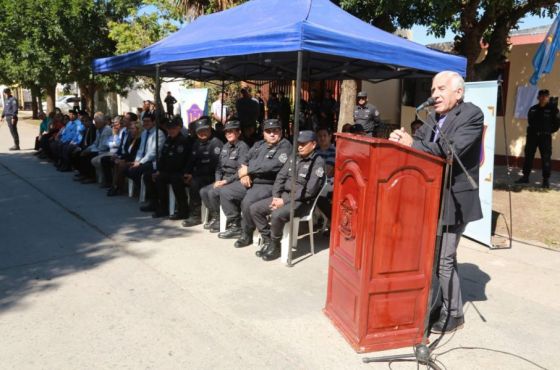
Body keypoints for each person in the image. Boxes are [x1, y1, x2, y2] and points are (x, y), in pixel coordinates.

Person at [389, 70, 484, 334]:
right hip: (429, 195)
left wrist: (413, 145)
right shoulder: (432, 117)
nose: (434, 95)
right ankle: (434, 303)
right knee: (435, 256)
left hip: (455, 197)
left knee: (443, 258)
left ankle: (454, 314)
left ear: (458, 92)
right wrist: (401, 142)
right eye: (432, 90)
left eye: (441, 89)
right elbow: (418, 144)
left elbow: (450, 151)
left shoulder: (471, 115)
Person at [249, 130, 325, 261]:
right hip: (283, 196)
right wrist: (276, 196)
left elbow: (309, 192)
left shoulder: (317, 163)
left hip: (301, 201)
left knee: (277, 215)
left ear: (313, 144)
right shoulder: (293, 157)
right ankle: (269, 241)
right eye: (299, 143)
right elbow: (280, 177)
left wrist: (284, 202)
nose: (300, 146)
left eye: (304, 144)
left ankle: (275, 245)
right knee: (255, 209)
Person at [218, 119, 292, 247]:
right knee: (225, 191)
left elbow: (272, 166)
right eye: (268, 131)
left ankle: (247, 233)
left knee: (247, 201)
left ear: (281, 132)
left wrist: (249, 169)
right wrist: (245, 173)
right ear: (263, 133)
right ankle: (235, 224)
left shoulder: (285, 146)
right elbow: (245, 160)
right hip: (251, 180)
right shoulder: (259, 144)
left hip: (268, 184)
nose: (272, 134)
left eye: (275, 130)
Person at [200, 120, 249, 232]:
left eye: (231, 131)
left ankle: (233, 222)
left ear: (238, 132)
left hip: (235, 180)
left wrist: (226, 182)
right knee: (203, 191)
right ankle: (217, 217)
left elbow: (242, 171)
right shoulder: (225, 146)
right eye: (226, 132)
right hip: (224, 179)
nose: (228, 134)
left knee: (213, 192)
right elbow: (219, 167)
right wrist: (218, 180)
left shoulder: (242, 147)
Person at [181, 117, 224, 227]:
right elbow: (191, 160)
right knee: (180, 180)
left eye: (205, 130)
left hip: (213, 176)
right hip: (199, 175)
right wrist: (187, 172)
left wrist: (194, 175)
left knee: (195, 183)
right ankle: (183, 210)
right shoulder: (196, 144)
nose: (202, 133)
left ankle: (196, 216)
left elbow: (216, 166)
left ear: (210, 130)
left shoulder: (216, 143)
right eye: (199, 131)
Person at [515, 89, 559, 189]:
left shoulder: (553, 110)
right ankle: (525, 177)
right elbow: (530, 121)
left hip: (545, 137)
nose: (543, 97)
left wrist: (547, 131)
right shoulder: (533, 109)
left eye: (546, 96)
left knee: (546, 159)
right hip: (532, 137)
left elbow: (556, 125)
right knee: (528, 157)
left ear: (548, 97)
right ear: (538, 97)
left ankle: (545, 180)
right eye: (542, 96)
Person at [125, 113, 166, 212]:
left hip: (154, 162)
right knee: (128, 169)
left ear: (153, 122)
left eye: (148, 121)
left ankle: (150, 197)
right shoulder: (144, 133)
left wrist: (140, 162)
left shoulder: (158, 134)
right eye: (144, 121)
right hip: (144, 160)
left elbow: (153, 152)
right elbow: (141, 150)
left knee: (136, 171)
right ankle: (146, 193)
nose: (145, 123)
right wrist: (137, 160)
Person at [152, 116, 191, 219]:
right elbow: (163, 157)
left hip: (180, 171)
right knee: (158, 178)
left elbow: (180, 162)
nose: (171, 130)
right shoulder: (168, 140)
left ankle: (183, 210)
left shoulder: (183, 141)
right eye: (169, 128)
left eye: (173, 128)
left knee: (176, 180)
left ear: (178, 128)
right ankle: (163, 208)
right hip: (169, 171)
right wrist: (159, 170)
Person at [74, 112, 113, 184]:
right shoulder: (98, 130)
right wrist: (88, 149)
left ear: (102, 122)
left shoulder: (107, 130)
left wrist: (91, 150)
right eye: (95, 123)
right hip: (98, 149)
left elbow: (104, 146)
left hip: (105, 151)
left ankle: (91, 177)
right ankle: (84, 174)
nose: (95, 124)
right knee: (83, 153)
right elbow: (95, 143)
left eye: (97, 123)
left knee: (90, 156)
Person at [106, 120, 141, 196]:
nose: (131, 131)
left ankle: (117, 187)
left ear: (138, 130)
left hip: (136, 160)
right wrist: (120, 158)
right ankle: (115, 186)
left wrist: (124, 160)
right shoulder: (132, 139)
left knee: (121, 165)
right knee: (116, 162)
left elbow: (135, 155)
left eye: (133, 129)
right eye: (130, 129)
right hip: (129, 159)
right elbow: (127, 153)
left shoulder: (139, 140)